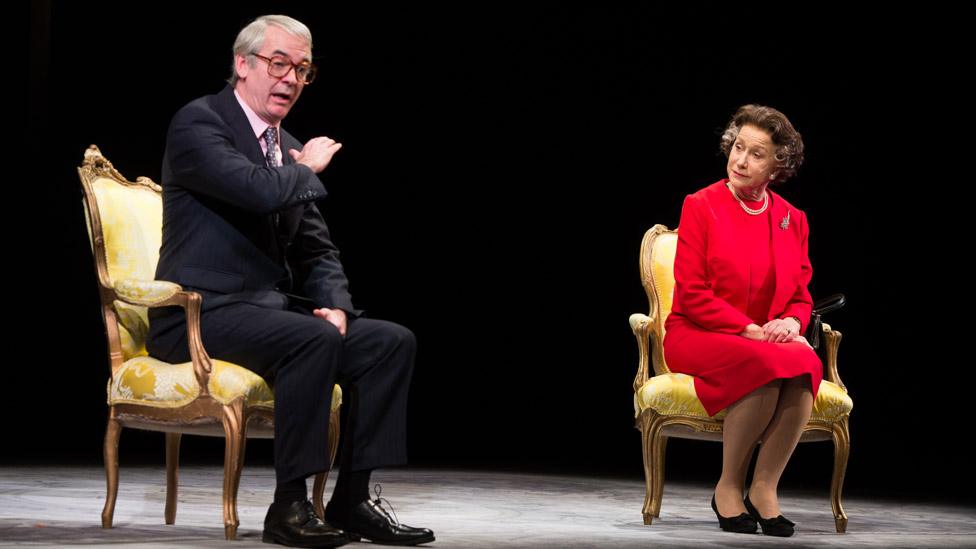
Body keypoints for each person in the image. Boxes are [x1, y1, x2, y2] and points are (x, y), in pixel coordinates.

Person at [146, 14, 434, 548]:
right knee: (311, 337)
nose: (291, 79)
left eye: (302, 69)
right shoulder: (200, 123)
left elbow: (318, 249)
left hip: (265, 315)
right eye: (279, 63)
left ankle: (353, 499)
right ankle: (289, 506)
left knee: (387, 342)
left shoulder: (288, 148)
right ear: (242, 64)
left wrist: (337, 305)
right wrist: (306, 171)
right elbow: (254, 189)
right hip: (196, 315)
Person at [662, 104, 820, 537]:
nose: (740, 160)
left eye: (756, 153)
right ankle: (728, 487)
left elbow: (801, 295)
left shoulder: (793, 219)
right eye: (737, 148)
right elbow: (691, 293)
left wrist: (791, 322)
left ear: (778, 165)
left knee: (807, 363)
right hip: (697, 331)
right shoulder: (701, 205)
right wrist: (751, 330)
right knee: (764, 362)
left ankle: (764, 488)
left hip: (763, 338)